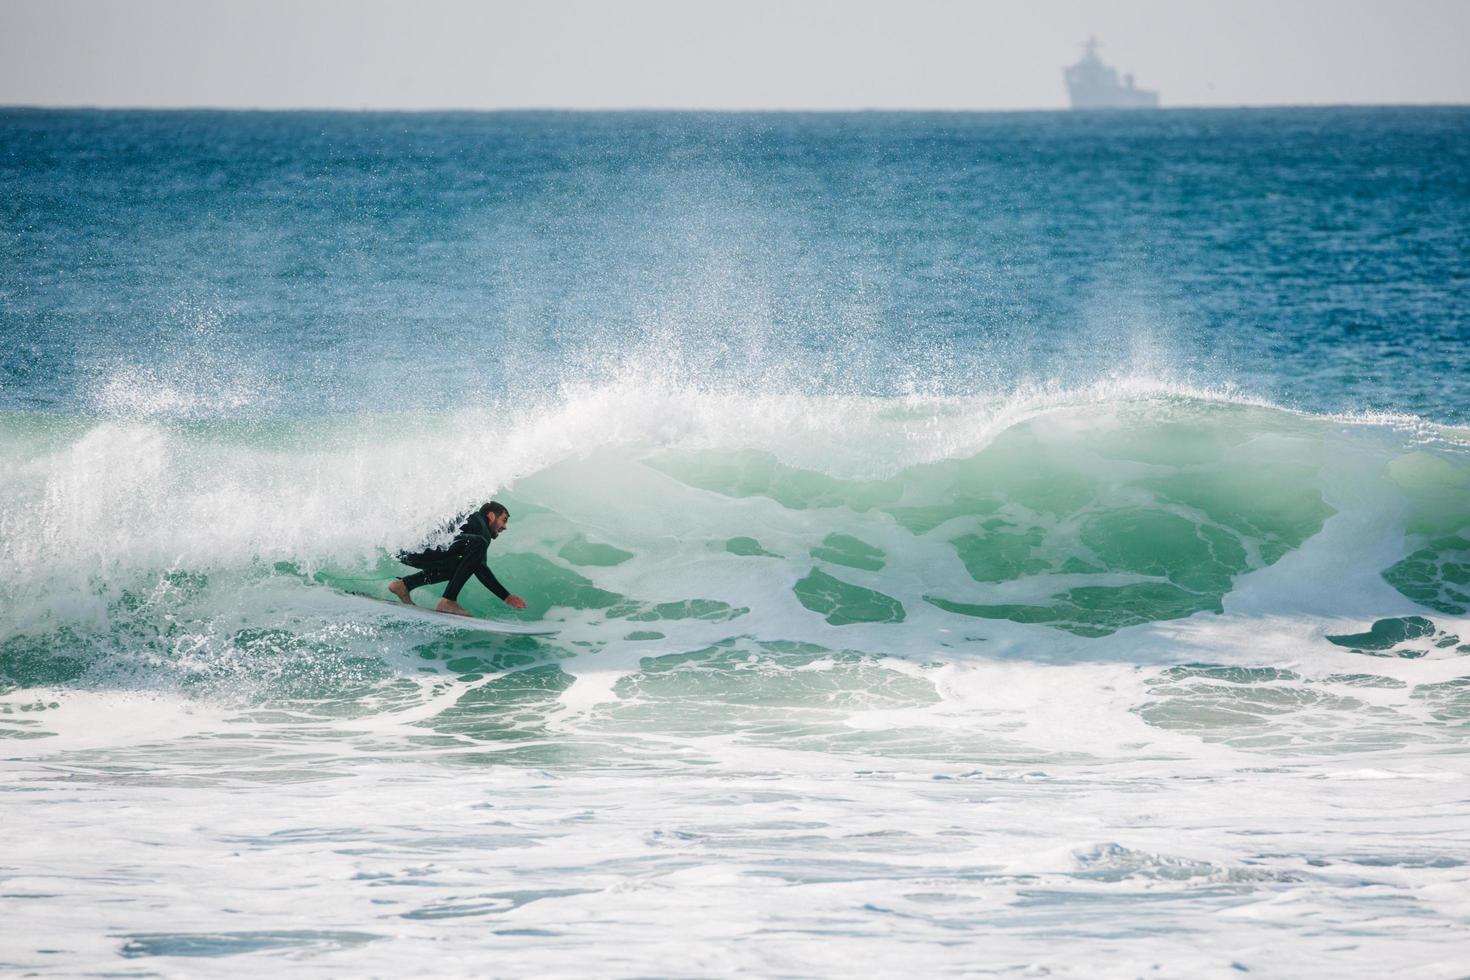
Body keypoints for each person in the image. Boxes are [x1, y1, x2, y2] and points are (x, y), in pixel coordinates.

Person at [389, 501, 528, 617]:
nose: (505, 526)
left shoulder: (472, 521)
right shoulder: (480, 523)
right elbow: (481, 567)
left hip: (406, 551)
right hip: (418, 548)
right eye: (503, 520)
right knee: (478, 544)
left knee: (461, 565)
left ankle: (404, 585)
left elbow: (475, 565)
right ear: (491, 516)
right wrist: (506, 597)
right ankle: (448, 601)